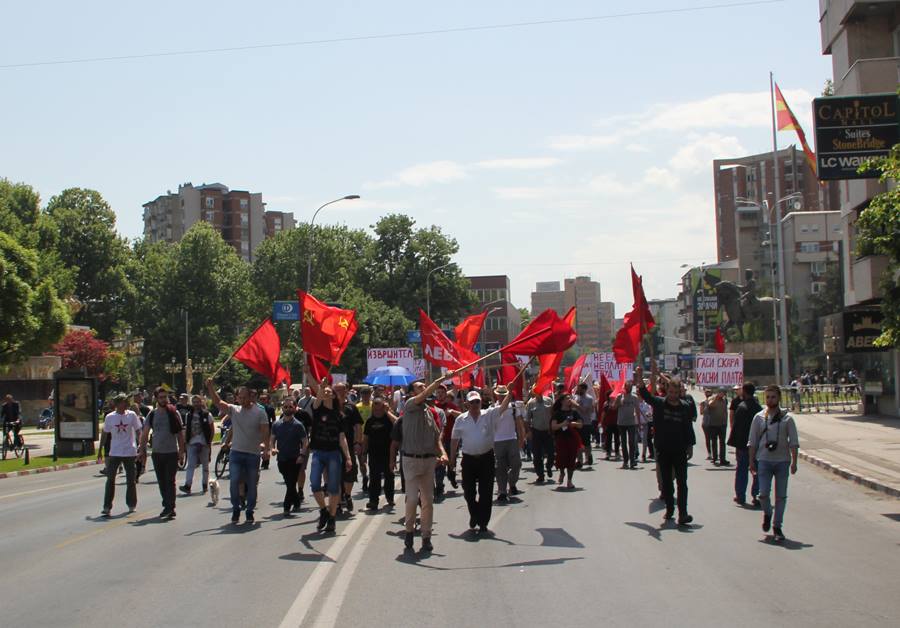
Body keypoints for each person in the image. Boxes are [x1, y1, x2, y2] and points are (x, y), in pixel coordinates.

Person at [391, 372, 455, 553]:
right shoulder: (410, 405)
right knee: (412, 498)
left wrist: (443, 454)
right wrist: (441, 380)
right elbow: (424, 394)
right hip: (411, 460)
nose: (423, 388)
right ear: (412, 393)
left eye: (423, 386)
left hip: (428, 461)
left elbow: (437, 439)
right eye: (419, 387)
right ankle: (409, 530)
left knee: (427, 500)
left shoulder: (429, 413)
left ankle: (426, 536)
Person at [636, 361, 696, 526]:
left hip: (680, 450)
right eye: (670, 391)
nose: (673, 395)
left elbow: (688, 427)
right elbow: (646, 395)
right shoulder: (660, 403)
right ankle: (670, 509)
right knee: (668, 483)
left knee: (682, 482)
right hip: (663, 449)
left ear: (679, 392)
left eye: (676, 392)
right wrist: (640, 377)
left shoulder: (684, 407)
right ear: (667, 391)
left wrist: (690, 445)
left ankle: (683, 513)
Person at [206, 379, 271, 524]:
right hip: (236, 452)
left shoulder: (260, 412)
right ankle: (236, 508)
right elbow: (218, 403)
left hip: (253, 454)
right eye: (239, 397)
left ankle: (249, 511)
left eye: (244, 397)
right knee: (234, 481)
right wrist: (210, 387)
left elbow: (265, 432)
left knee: (252, 483)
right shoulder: (234, 410)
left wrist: (266, 449)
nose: (241, 400)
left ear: (250, 397)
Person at [450, 388, 513, 535]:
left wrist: (509, 393)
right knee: (469, 492)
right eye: (472, 402)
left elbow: (503, 407)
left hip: (486, 458)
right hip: (468, 460)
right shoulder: (461, 419)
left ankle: (483, 522)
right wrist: (452, 459)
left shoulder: (489, 414)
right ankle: (474, 513)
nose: (475, 405)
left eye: (477, 401)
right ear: (466, 404)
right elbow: (454, 440)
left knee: (486, 492)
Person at [304, 367, 353, 534]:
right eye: (323, 392)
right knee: (315, 484)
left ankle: (331, 517)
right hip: (318, 452)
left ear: (334, 396)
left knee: (333, 488)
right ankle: (323, 510)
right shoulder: (317, 409)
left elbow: (342, 438)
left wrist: (347, 457)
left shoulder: (339, 415)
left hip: (333, 453)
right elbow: (316, 392)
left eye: (329, 392)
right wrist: (308, 373)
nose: (326, 393)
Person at [749, 385, 799, 542]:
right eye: (768, 397)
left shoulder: (787, 419)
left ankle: (777, 526)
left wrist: (794, 462)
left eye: (773, 397)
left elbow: (794, 442)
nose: (770, 400)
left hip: (782, 461)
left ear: (779, 398)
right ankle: (767, 514)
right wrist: (751, 461)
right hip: (763, 460)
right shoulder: (758, 417)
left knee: (781, 496)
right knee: (763, 494)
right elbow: (752, 441)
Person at [138, 388, 186, 520]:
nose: (164, 399)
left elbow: (180, 434)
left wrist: (181, 452)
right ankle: (167, 505)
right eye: (161, 397)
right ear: (156, 399)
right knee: (161, 481)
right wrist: (142, 450)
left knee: (170, 481)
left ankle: (170, 507)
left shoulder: (173, 413)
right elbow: (145, 433)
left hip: (171, 452)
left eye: (165, 397)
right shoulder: (152, 414)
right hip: (157, 453)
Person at [100, 393, 143, 516]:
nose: (125, 404)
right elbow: (105, 433)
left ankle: (131, 504)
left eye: (126, 402)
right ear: (117, 404)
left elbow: (138, 430)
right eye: (123, 402)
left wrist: (141, 444)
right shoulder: (110, 417)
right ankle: (107, 507)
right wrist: (101, 450)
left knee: (131, 480)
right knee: (110, 479)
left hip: (129, 451)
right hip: (115, 452)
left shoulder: (132, 415)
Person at [270, 397, 308, 515]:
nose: (287, 409)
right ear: (282, 408)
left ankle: (286, 507)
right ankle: (296, 502)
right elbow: (272, 439)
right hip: (282, 459)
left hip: (295, 458)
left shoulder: (298, 425)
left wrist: (302, 454)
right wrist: (272, 448)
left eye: (290, 407)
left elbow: (305, 441)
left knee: (291, 482)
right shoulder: (276, 424)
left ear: (295, 408)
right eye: (285, 407)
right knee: (289, 482)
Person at [729, 382, 762, 507]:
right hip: (756, 445)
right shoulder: (758, 408)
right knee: (756, 470)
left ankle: (740, 495)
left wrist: (734, 442)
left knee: (742, 469)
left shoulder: (741, 407)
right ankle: (756, 494)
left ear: (745, 392)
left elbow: (736, 427)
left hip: (743, 445)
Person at [491, 385, 526, 502]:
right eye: (499, 394)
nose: (501, 396)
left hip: (512, 439)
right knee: (500, 468)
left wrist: (522, 438)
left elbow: (519, 424)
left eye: (503, 394)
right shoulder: (492, 408)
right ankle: (502, 491)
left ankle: (511, 483)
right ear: (496, 395)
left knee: (516, 464)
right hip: (497, 441)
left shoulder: (514, 407)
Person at [334, 382, 363, 513]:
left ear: (346, 391)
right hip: (333, 446)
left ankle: (348, 495)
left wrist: (358, 442)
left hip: (349, 445)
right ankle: (338, 501)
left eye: (341, 390)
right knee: (335, 474)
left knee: (350, 473)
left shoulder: (351, 407)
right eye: (336, 390)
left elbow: (358, 426)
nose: (338, 392)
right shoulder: (330, 407)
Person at [180, 394, 214, 495]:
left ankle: (204, 485)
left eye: (197, 402)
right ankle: (188, 485)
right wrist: (186, 442)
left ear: (201, 402)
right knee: (191, 465)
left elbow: (212, 429)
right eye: (194, 402)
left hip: (204, 443)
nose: (196, 404)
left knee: (205, 466)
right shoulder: (188, 415)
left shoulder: (207, 414)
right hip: (192, 443)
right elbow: (187, 429)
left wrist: (209, 442)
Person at [551, 394, 583, 489]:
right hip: (561, 438)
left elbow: (581, 425)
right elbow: (553, 427)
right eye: (567, 398)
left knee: (571, 459)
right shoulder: (557, 413)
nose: (569, 400)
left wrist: (574, 424)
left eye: (570, 398)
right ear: (562, 401)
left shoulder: (574, 413)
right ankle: (561, 472)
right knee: (561, 458)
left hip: (572, 438)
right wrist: (563, 424)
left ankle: (569, 481)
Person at [434, 384, 461, 494]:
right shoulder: (434, 406)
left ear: (446, 394)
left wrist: (452, 412)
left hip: (451, 438)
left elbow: (461, 415)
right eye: (438, 393)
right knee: (440, 463)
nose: (440, 395)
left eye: (442, 392)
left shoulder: (451, 405)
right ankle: (439, 485)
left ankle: (452, 476)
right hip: (438, 439)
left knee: (451, 460)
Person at [526, 390, 554, 482]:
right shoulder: (531, 403)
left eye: (540, 391)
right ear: (534, 393)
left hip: (548, 431)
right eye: (536, 392)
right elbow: (528, 419)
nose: (539, 393)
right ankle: (540, 474)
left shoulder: (549, 400)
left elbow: (554, 415)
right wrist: (529, 431)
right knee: (537, 455)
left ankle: (549, 466)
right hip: (536, 431)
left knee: (551, 452)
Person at [614, 381, 640, 469]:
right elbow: (614, 407)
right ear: (624, 387)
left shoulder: (634, 397)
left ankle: (632, 461)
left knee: (631, 442)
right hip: (621, 423)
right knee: (623, 443)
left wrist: (639, 422)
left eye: (630, 386)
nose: (628, 388)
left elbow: (637, 410)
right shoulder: (619, 396)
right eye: (627, 386)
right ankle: (625, 461)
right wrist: (618, 401)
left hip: (631, 423)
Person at [572, 382, 596, 466]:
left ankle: (588, 456)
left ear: (584, 389)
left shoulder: (589, 398)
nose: (578, 389)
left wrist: (575, 404)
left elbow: (584, 410)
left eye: (579, 388)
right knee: (577, 442)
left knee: (586, 442)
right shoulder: (575, 397)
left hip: (586, 423)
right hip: (577, 423)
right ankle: (579, 460)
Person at [356, 386, 373, 491]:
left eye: (367, 395)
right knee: (362, 461)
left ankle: (372, 478)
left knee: (372, 461)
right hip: (360, 438)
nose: (365, 397)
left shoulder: (374, 406)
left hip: (372, 438)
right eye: (363, 395)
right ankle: (365, 477)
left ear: (370, 395)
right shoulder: (357, 407)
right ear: (361, 396)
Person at [707, 389, 729, 466]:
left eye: (723, 392)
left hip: (722, 424)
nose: (722, 394)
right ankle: (714, 457)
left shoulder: (725, 400)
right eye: (720, 392)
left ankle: (722, 459)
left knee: (722, 442)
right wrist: (716, 398)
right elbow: (710, 405)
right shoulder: (712, 398)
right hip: (714, 424)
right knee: (714, 441)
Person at [601, 395, 620, 460]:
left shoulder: (617, 403)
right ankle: (608, 453)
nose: (612, 397)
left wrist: (615, 403)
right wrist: (601, 422)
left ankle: (617, 452)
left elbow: (616, 408)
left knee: (617, 439)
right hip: (608, 423)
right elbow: (603, 413)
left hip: (616, 423)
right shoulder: (606, 403)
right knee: (608, 439)